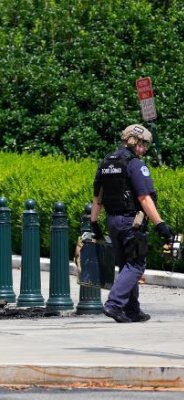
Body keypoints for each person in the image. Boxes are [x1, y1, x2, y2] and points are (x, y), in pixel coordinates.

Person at [90, 124, 173, 323]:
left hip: (112, 220)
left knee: (126, 264)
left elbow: (98, 197)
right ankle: (114, 304)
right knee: (136, 264)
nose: (145, 150)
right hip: (131, 222)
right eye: (145, 145)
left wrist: (94, 222)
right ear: (137, 142)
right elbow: (144, 198)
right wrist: (160, 224)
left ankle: (132, 309)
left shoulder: (106, 162)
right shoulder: (135, 164)